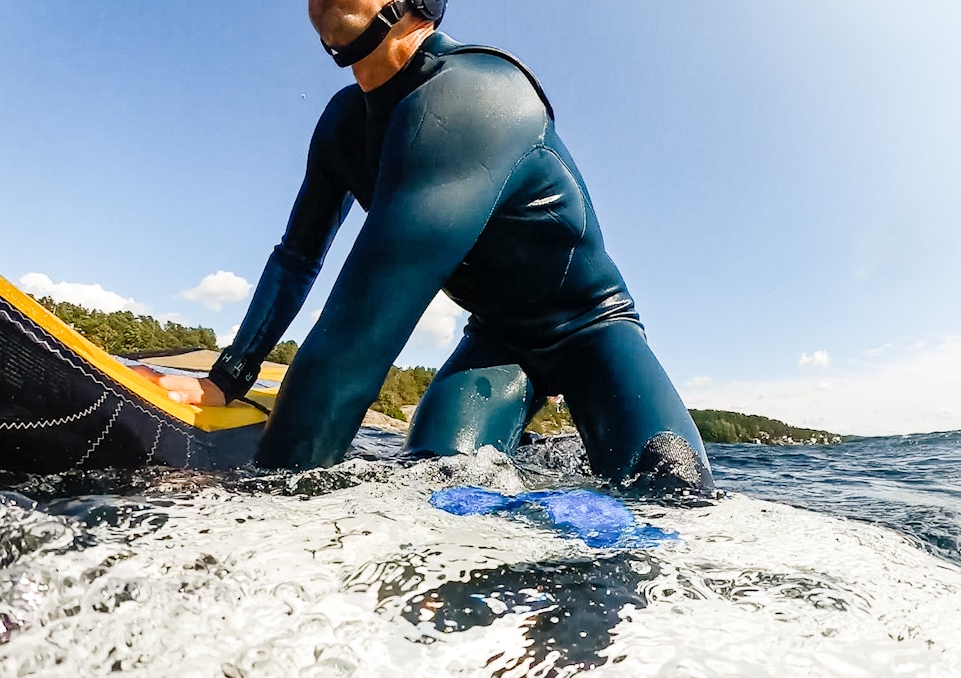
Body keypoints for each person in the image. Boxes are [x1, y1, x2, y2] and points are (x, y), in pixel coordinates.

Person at [151, 0, 714, 496]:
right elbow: (297, 258)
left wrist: (263, 501)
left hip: (592, 330)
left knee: (671, 489)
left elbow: (359, 337)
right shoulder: (344, 125)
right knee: (437, 479)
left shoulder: (476, 93)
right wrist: (226, 379)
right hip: (497, 342)